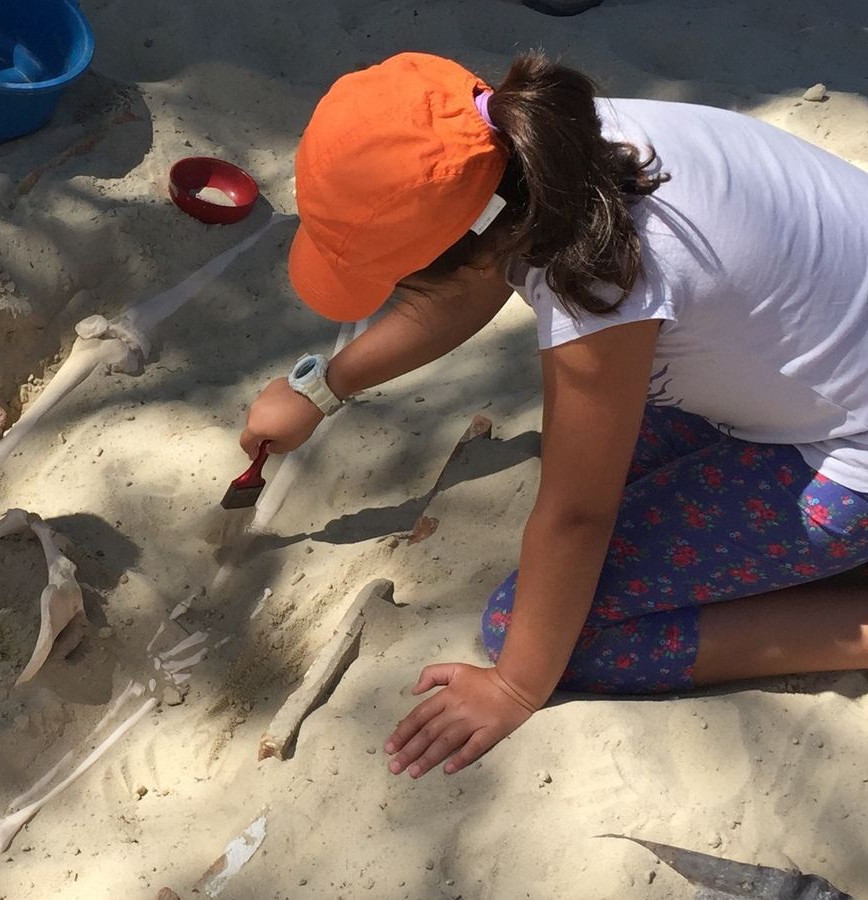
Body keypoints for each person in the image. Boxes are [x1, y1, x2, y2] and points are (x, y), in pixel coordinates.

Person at [240, 52, 868, 778]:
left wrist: (512, 687)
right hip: (820, 368)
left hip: (847, 452)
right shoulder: (544, 149)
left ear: (465, 246)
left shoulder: (597, 278)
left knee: (538, 633)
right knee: (600, 497)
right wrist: (323, 389)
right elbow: (467, 285)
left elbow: (578, 514)